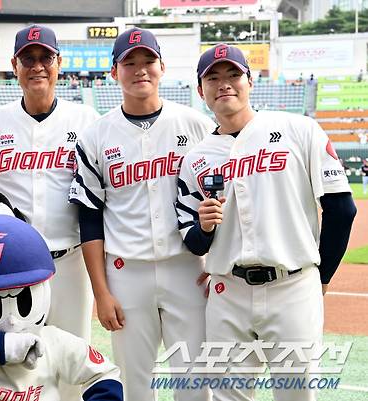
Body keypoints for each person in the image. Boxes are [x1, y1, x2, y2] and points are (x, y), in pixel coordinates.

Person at [176, 44, 356, 401]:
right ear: (201, 90)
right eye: (213, 77)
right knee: (229, 395)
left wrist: (322, 279)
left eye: (233, 75)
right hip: (228, 292)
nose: (223, 84)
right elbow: (194, 242)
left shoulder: (297, 129)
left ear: (250, 81)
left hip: (292, 286)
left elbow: (342, 209)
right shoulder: (195, 159)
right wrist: (205, 227)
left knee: (296, 393)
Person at [68, 28, 215, 401]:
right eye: (128, 63)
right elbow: (89, 219)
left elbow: (223, 198)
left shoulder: (196, 125)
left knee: (196, 382)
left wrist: (218, 263)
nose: (140, 70)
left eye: (147, 61)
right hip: (126, 274)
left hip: (188, 269)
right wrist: (101, 293)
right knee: (137, 385)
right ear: (114, 72)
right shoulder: (95, 136)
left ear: (162, 67)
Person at [0, 24, 98, 341]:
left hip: (70, 261)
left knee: (73, 360)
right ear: (14, 66)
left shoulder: (86, 120)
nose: (37, 66)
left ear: (59, 63)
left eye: (46, 57)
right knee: (19, 366)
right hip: (12, 266)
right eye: (28, 59)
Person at [0, 212, 123, 401]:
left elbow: (104, 374)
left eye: (23, 302)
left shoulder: (51, 341)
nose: (13, 320)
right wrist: (10, 347)